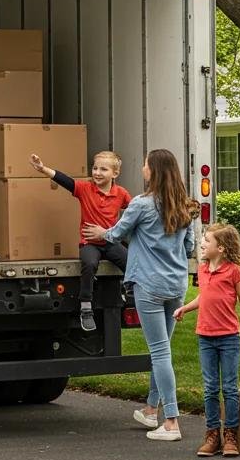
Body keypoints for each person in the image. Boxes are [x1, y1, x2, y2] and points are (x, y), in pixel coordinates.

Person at [83, 148, 195, 443]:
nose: (142, 168)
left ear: (153, 171)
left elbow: (116, 233)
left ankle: (171, 422)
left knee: (159, 353)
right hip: (176, 285)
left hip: (149, 285)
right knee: (164, 351)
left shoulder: (141, 205)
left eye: (145, 164)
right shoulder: (185, 206)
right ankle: (150, 410)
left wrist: (99, 232)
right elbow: (189, 249)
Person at [173, 223, 240, 458]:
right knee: (210, 389)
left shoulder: (233, 271)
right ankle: (212, 435)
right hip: (205, 337)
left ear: (220, 248)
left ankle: (231, 435)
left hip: (228, 337)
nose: (201, 243)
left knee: (229, 388)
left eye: (206, 241)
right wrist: (185, 308)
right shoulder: (202, 269)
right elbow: (205, 296)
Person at [29, 149, 132, 331]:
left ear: (115, 173)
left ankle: (132, 292)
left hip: (110, 242)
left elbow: (133, 212)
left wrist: (117, 231)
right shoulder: (84, 189)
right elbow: (65, 180)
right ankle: (86, 307)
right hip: (90, 243)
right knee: (89, 263)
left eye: (103, 169)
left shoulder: (121, 194)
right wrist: (43, 168)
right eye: (95, 168)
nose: (97, 173)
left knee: (131, 261)